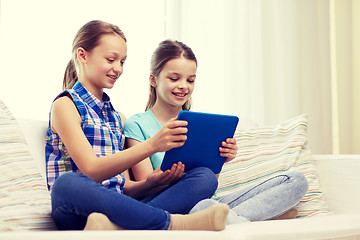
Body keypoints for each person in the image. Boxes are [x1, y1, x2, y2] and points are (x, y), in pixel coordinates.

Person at [45, 20, 230, 231]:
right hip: (77, 209)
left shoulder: (117, 118)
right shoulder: (65, 105)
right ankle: (173, 223)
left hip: (120, 207)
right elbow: (91, 171)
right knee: (67, 184)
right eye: (111, 59)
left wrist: (152, 182)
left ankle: (117, 227)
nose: (118, 68)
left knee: (204, 177)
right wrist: (153, 145)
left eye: (122, 62)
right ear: (82, 55)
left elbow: (125, 188)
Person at [124, 39, 309, 224]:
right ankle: (244, 219)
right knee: (204, 181)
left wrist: (221, 158)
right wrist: (167, 176)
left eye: (190, 80)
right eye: (174, 79)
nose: (183, 86)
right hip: (167, 202)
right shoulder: (137, 125)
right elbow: (145, 186)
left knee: (295, 180)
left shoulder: (199, 124)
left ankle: (224, 218)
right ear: (153, 80)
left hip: (205, 203)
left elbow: (211, 184)